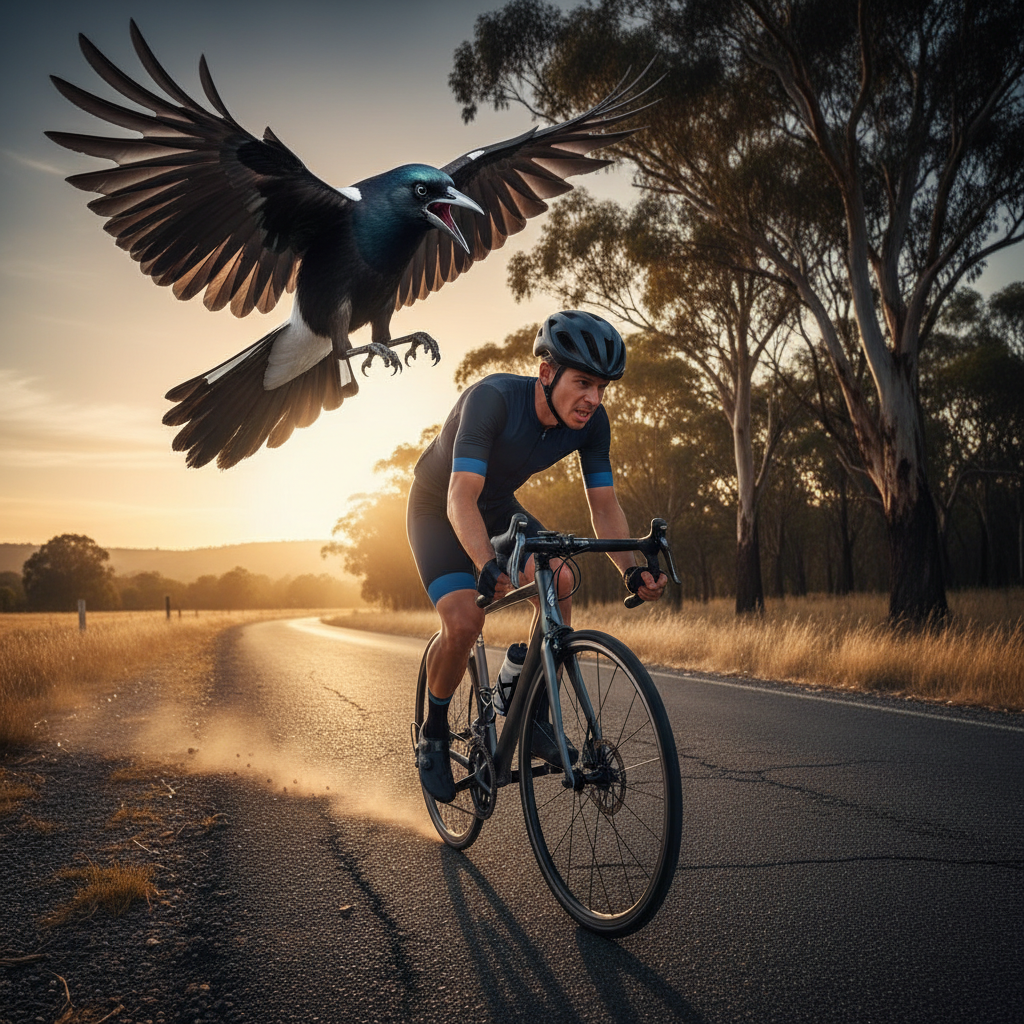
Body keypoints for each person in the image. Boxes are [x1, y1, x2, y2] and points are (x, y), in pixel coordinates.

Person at [407, 310, 668, 802]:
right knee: (465, 621)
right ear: (547, 373)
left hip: (497, 506)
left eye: (602, 387)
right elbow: (459, 498)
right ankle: (434, 732)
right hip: (439, 507)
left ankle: (530, 705)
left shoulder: (592, 424)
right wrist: (485, 562)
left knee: (561, 577)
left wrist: (634, 570)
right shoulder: (492, 400)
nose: (594, 398)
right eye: (584, 382)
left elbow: (605, 506)